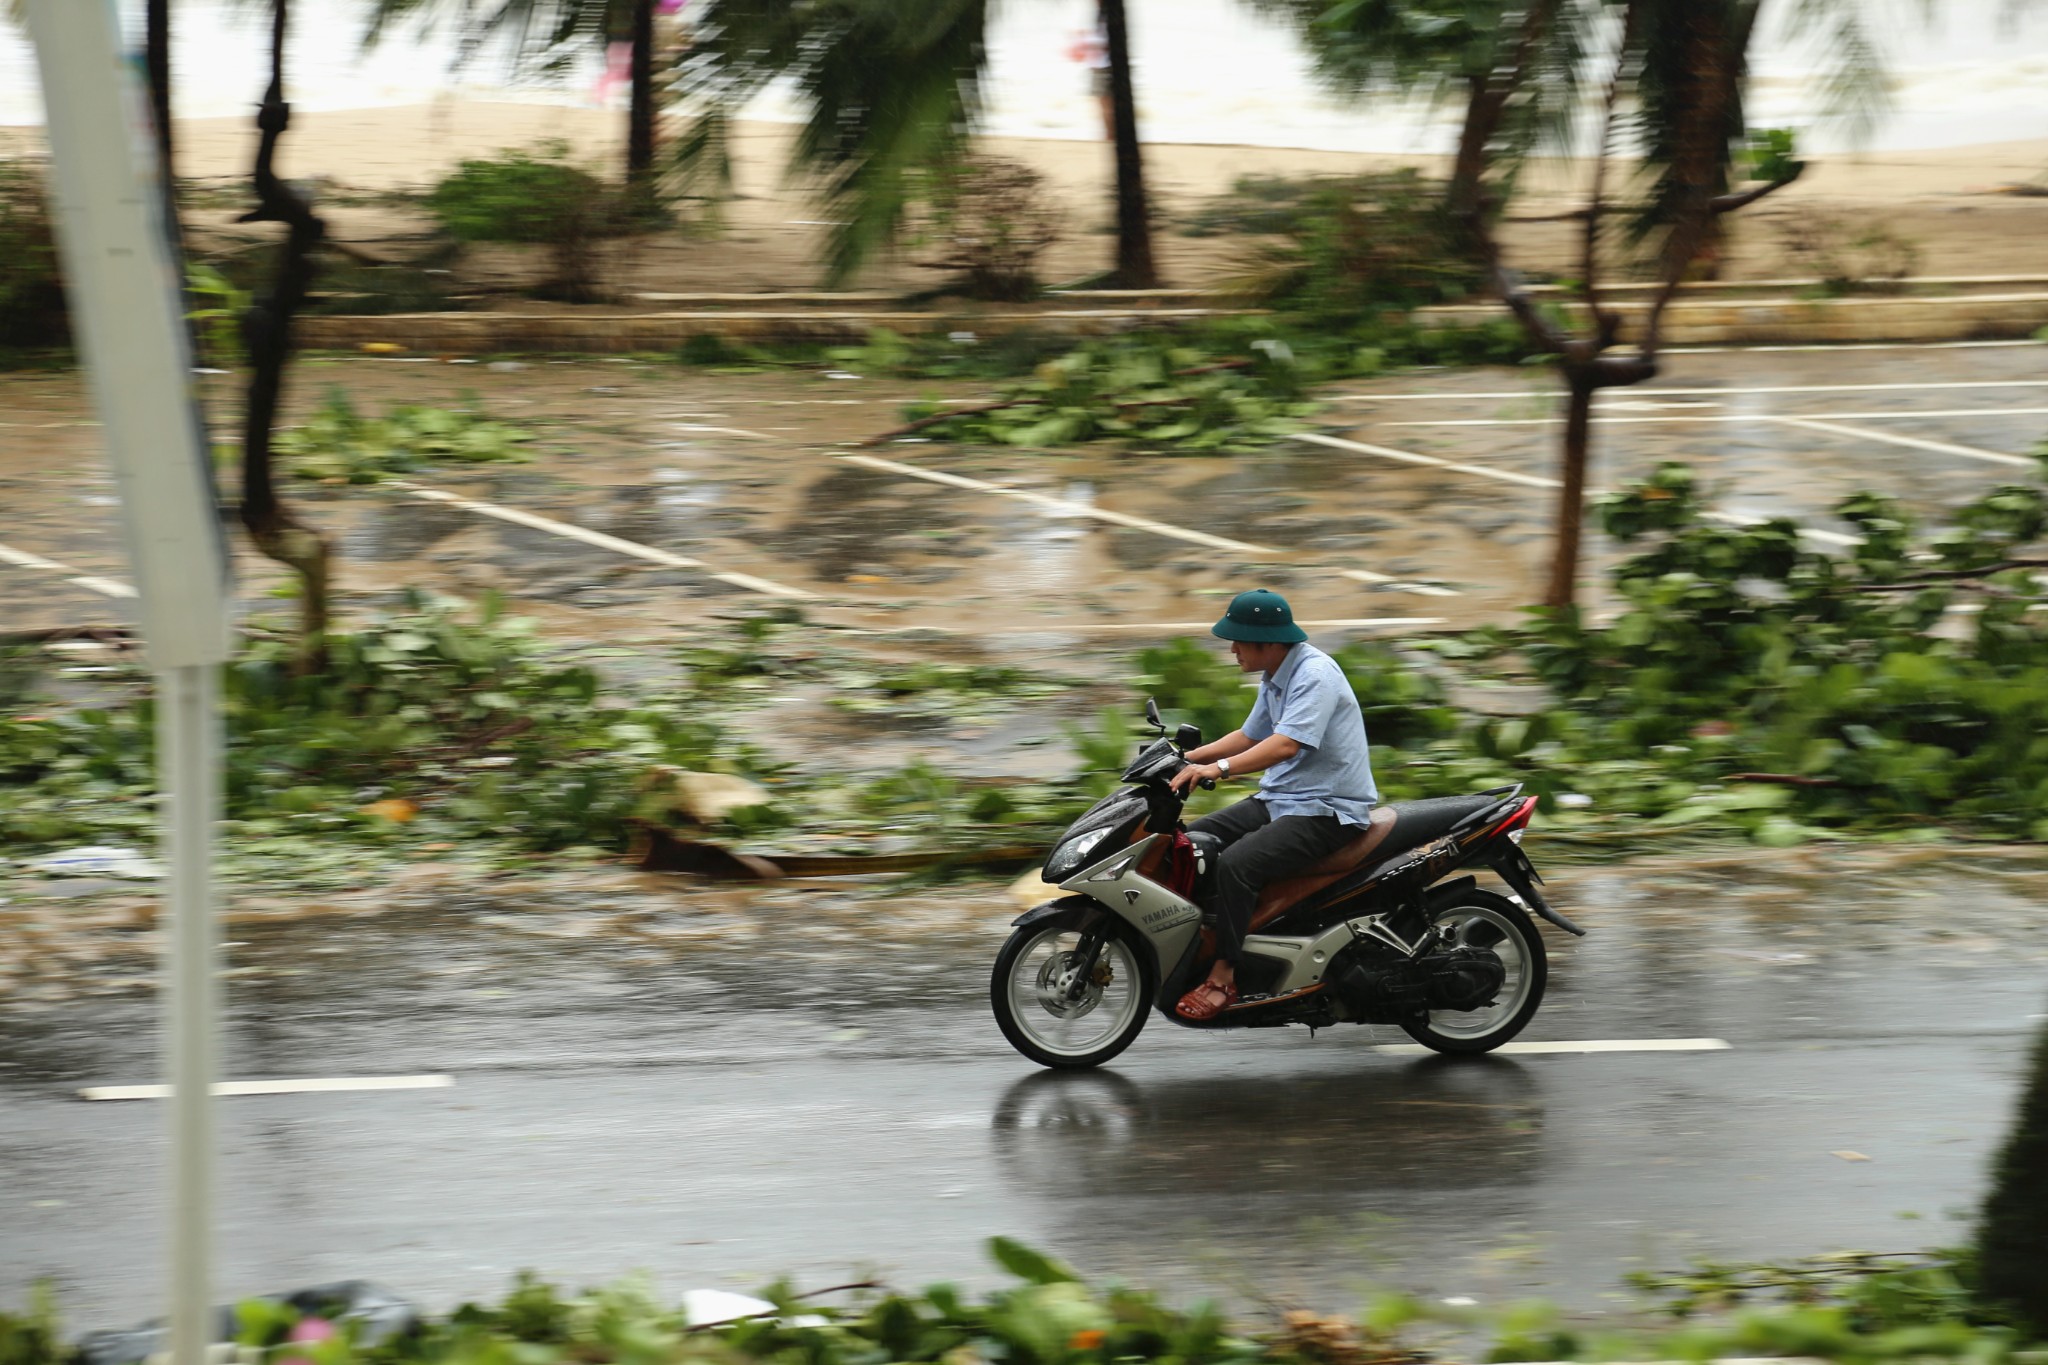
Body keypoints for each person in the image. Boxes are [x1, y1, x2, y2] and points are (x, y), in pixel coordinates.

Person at [1167, 589, 1378, 1020]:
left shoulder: (1314, 675)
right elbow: (1249, 736)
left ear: (1270, 642)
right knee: (1192, 841)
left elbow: (1284, 745)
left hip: (1328, 808)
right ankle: (1212, 937)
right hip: (1282, 798)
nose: (1232, 650)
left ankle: (1224, 975)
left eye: (1239, 641)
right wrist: (1182, 758)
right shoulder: (1277, 674)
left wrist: (1218, 769)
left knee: (1237, 865)